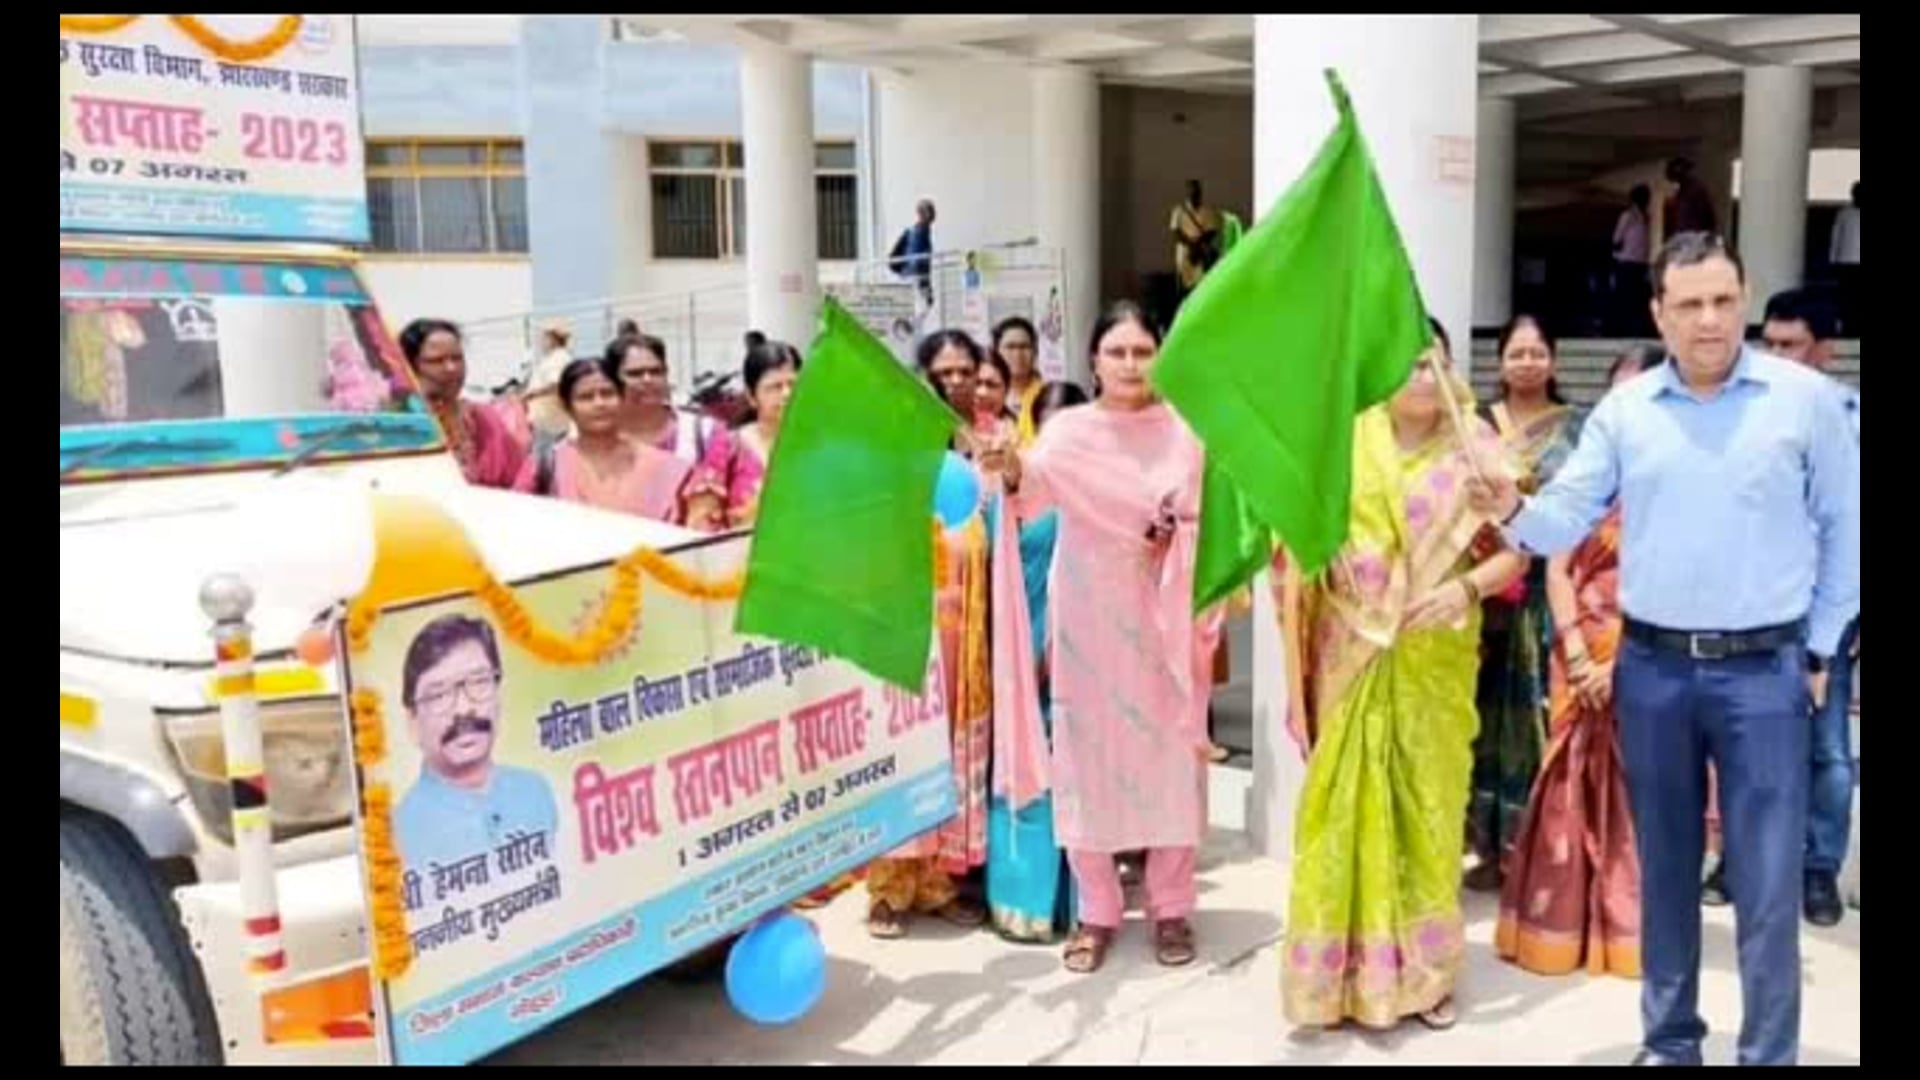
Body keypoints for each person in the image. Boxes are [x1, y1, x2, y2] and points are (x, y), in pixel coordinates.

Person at [1465, 232, 1860, 1067]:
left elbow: (1847, 531)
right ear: (1658, 313)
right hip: (1652, 672)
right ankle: (1672, 1043)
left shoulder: (1805, 402)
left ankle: (1769, 1054)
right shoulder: (1627, 411)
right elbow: (1566, 518)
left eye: (1723, 300)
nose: (1709, 320)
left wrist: (1819, 651)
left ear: (1743, 300)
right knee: (1666, 872)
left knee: (1765, 883)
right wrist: (1511, 508)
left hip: (1765, 673)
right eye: (1689, 304)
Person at [1279, 322, 1527, 1032]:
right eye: (1409, 362)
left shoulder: (1477, 449)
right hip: (1351, 650)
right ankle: (1335, 982)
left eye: (1434, 362)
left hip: (1433, 658)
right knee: (1340, 809)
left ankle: (1426, 977)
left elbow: (1519, 550)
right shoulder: (1342, 442)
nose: (1422, 374)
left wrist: (1466, 588)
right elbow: (1294, 536)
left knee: (1428, 810)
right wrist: (1311, 558)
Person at [977, 301, 1224, 974]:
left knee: (1170, 759)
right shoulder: (1069, 432)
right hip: (1088, 614)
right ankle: (1098, 912)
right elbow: (1030, 493)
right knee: (1086, 760)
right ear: (1094, 361)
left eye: (1143, 352)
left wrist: (1178, 531)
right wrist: (1006, 466)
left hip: (1164, 612)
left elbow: (1214, 517)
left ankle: (1171, 907)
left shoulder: (1186, 433)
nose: (1130, 364)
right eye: (1118, 352)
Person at [1494, 344, 1657, 979]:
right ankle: (1557, 928)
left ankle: (1626, 932)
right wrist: (1578, 650)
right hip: (1577, 647)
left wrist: (1617, 662)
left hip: (1647, 653)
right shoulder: (1585, 480)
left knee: (1636, 792)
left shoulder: (1679, 487)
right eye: (1617, 397)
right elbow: (1557, 566)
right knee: (1565, 784)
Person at [866, 328, 995, 939]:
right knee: (903, 756)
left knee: (949, 758)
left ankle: (939, 882)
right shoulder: (884, 477)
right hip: (906, 642)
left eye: (965, 371)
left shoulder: (976, 466)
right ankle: (889, 888)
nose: (954, 383)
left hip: (963, 638)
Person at [1466, 314, 1582, 892]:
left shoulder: (1577, 429)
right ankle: (1487, 847)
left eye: (1538, 352)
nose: (1528, 363)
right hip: (1483, 593)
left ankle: (1534, 853)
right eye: (1517, 353)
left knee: (1537, 720)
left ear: (1553, 359)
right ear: (1500, 361)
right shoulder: (1476, 425)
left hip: (1546, 594)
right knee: (1482, 722)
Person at [1761, 288, 1860, 928]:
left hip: (1828, 610)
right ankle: (1744, 860)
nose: (1776, 357)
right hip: (1752, 607)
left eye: (1790, 345)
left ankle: (1818, 866)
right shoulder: (1740, 415)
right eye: (1768, 344)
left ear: (1824, 350)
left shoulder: (1851, 419)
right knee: (1749, 738)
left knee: (1827, 748)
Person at [985, 381, 1090, 944]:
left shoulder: (1097, 487)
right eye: (1051, 427)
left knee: (1074, 768)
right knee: (1023, 761)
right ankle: (1021, 900)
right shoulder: (1013, 484)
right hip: (1019, 638)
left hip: (1082, 643)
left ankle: (1072, 901)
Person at [393, 614, 558, 877]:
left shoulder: (535, 791)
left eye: (479, 682)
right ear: (412, 722)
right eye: (439, 695)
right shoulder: (397, 835)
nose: (463, 708)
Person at [512, 359, 690, 524]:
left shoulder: (664, 467)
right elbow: (516, 523)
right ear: (567, 407)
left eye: (607, 394)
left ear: (622, 398)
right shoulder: (546, 466)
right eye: (586, 397)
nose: (599, 404)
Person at [684, 333, 801, 532]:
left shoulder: (820, 446)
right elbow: (701, 522)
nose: (787, 394)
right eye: (775, 387)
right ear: (751, 396)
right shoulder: (728, 447)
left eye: (794, 384)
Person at [399, 318, 526, 490]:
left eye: (457, 358)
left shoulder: (484, 419)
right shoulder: (399, 425)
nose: (451, 368)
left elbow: (522, 479)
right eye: (437, 361)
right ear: (411, 366)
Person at [610, 333, 728, 470]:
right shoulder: (597, 437)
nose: (648, 380)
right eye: (635, 374)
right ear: (612, 379)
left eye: (656, 372)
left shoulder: (705, 433)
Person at [992, 316, 1046, 447]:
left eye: (1024, 347)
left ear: (1036, 352)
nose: (1018, 354)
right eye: (1010, 347)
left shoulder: (1048, 396)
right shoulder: (985, 397)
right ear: (996, 352)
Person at [1170, 179, 1223, 299]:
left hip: (1201, 252)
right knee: (1183, 285)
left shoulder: (1207, 211)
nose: (1193, 193)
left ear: (1200, 192)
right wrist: (1191, 245)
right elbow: (1175, 232)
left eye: (1196, 190)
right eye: (1191, 190)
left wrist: (1198, 244)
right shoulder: (1178, 211)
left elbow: (1212, 231)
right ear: (1187, 192)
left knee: (1201, 285)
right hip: (1184, 253)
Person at [524, 322, 576, 443]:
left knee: (544, 453)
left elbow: (555, 384)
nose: (542, 342)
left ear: (553, 339)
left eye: (545, 338)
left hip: (549, 418)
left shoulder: (558, 358)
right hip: (548, 418)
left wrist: (531, 394)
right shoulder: (557, 357)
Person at [1612, 184, 1653, 335]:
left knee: (1637, 298)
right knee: (1626, 297)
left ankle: (1634, 329)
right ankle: (1623, 329)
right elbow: (1617, 239)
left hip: (1640, 262)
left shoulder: (1646, 216)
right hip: (1627, 261)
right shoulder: (1628, 216)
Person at [890, 198, 938, 306]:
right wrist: (926, 290)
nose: (934, 215)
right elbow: (919, 264)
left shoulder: (917, 231)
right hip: (914, 283)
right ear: (925, 214)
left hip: (909, 281)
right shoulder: (919, 233)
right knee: (919, 310)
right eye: (932, 211)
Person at [1829, 182, 1860, 335]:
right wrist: (1833, 259)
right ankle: (1849, 325)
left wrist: (1833, 258)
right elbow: (1836, 237)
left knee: (1850, 296)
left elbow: (1836, 237)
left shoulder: (1844, 213)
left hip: (1846, 261)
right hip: (1847, 262)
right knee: (1848, 297)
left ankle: (1851, 325)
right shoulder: (1844, 213)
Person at [1664, 158, 1718, 237]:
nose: (1675, 181)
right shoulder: (1681, 192)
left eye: (1675, 177)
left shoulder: (1697, 189)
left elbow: (1709, 216)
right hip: (1683, 236)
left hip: (1695, 236)